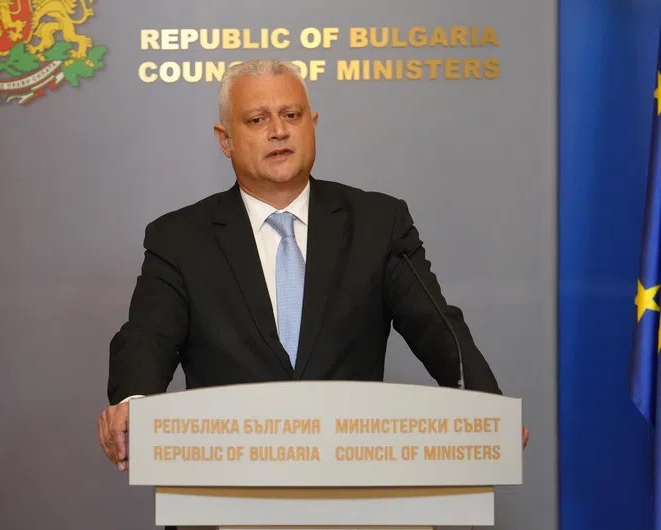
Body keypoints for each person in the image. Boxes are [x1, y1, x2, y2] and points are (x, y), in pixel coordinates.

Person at [98, 58, 528, 487]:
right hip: (225, 485)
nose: (278, 131)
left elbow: (436, 326)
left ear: (313, 124)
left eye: (291, 115)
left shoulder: (377, 223)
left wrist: (488, 410)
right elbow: (148, 336)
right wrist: (135, 402)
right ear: (225, 139)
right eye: (257, 119)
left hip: (355, 487)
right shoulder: (181, 238)